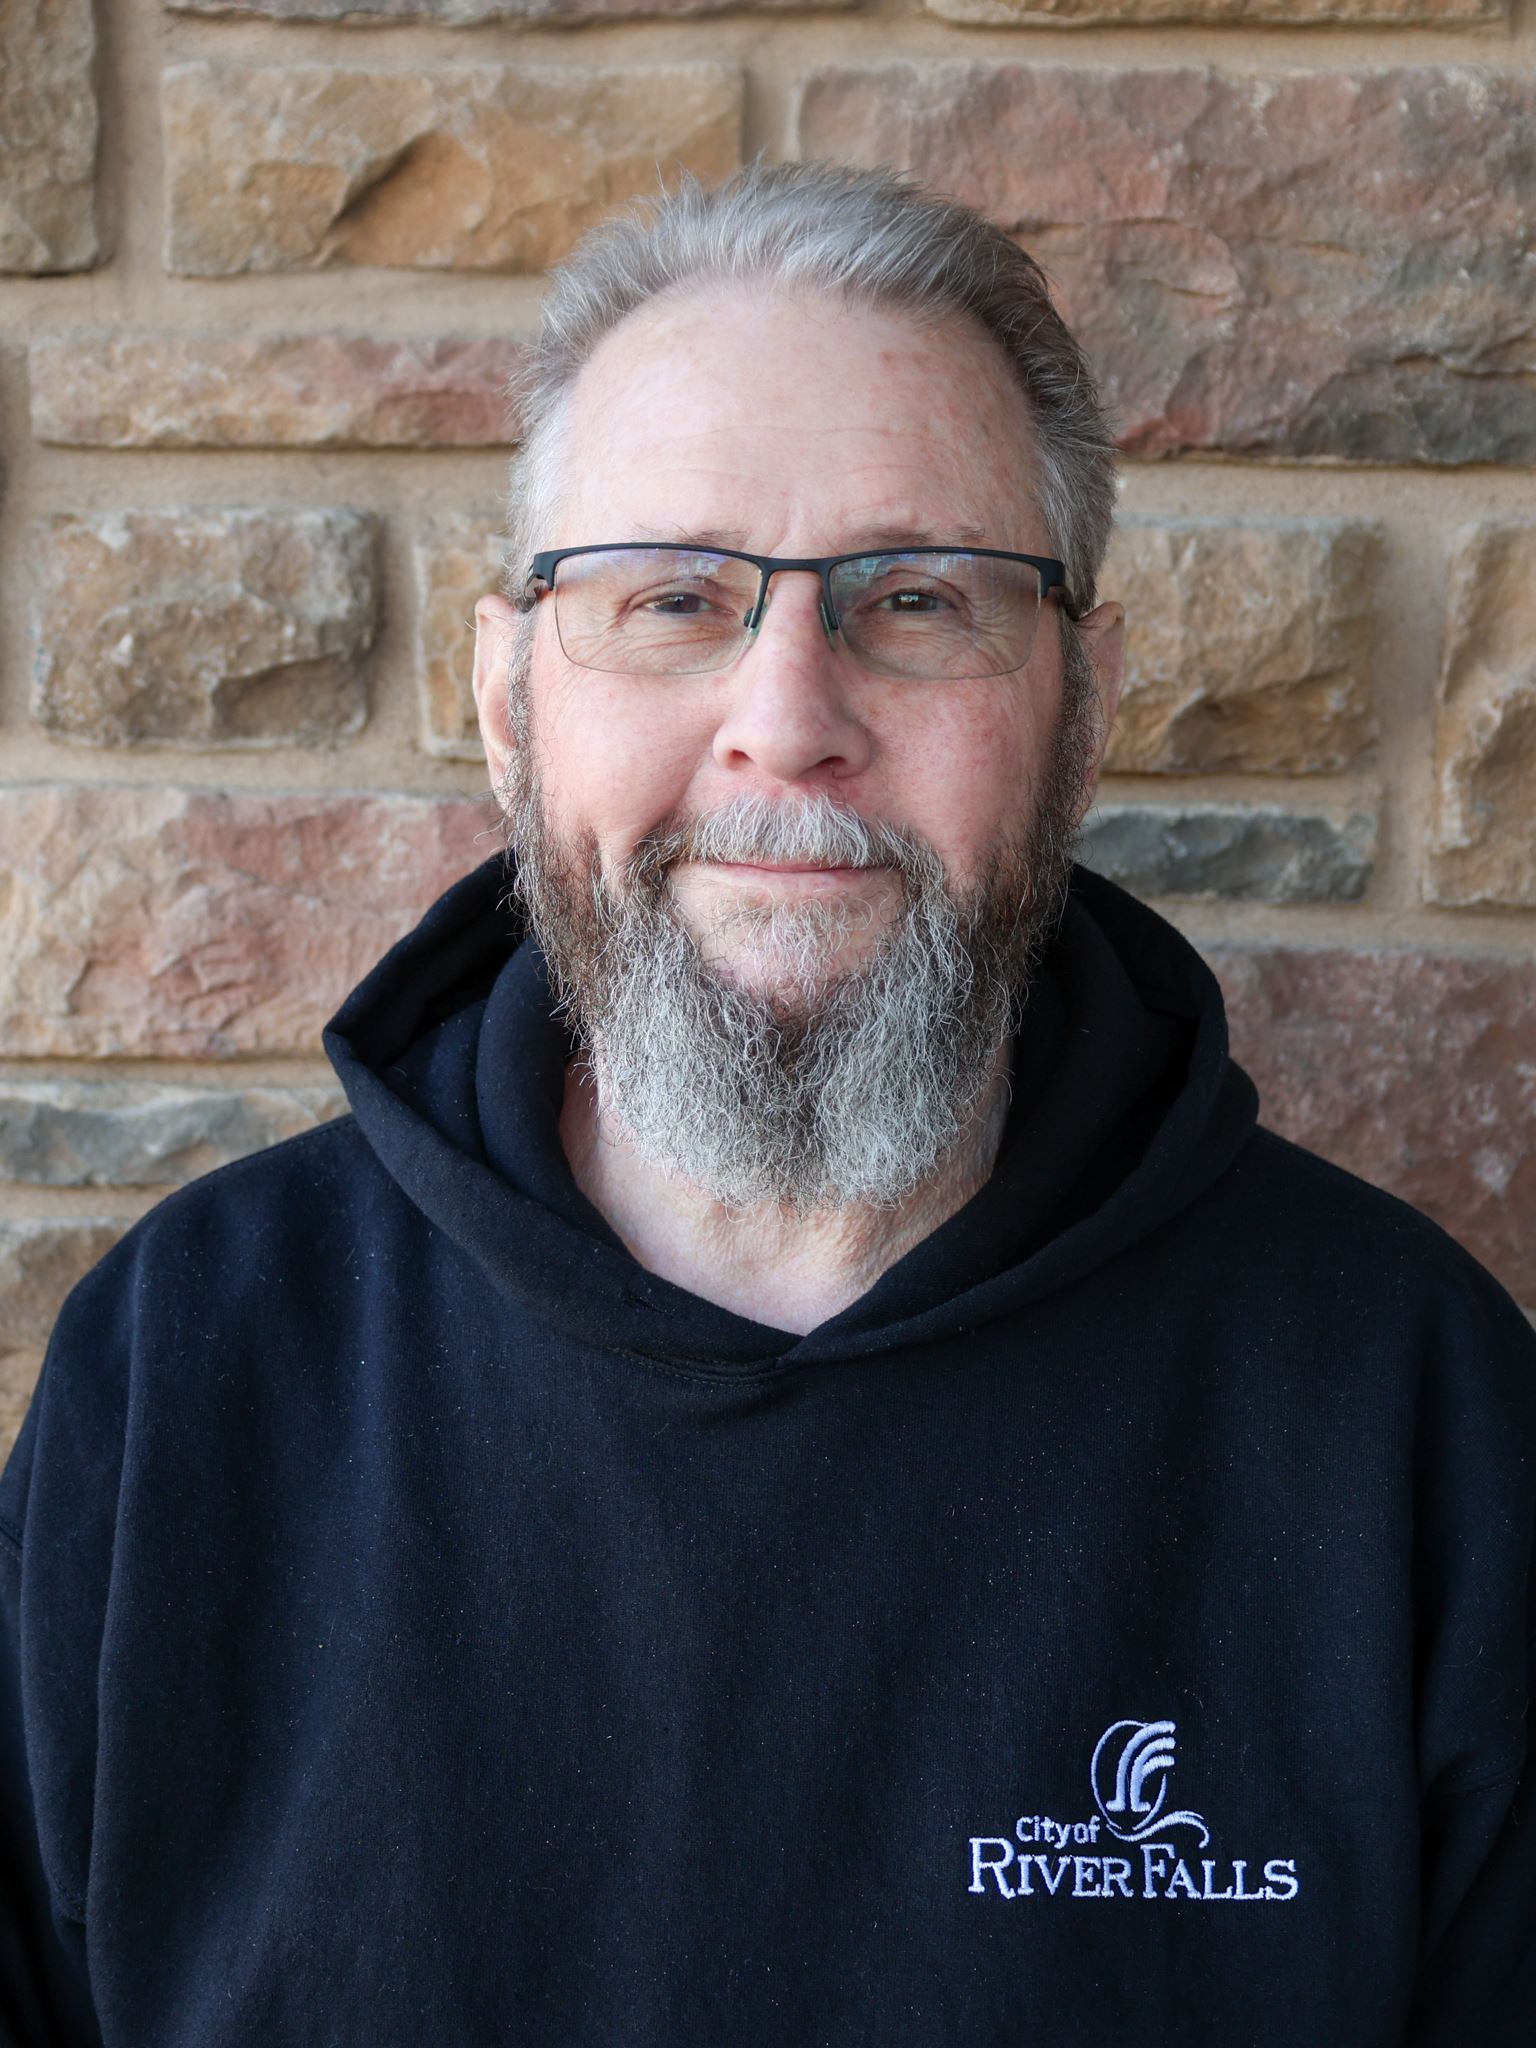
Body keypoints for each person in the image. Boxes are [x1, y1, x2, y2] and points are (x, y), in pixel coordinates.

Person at [2, 161, 1532, 2048]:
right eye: (671, 601)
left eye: (916, 597)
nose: (788, 713)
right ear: (507, 701)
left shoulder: (1413, 1410)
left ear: (1085, 695)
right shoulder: (184, 1376)